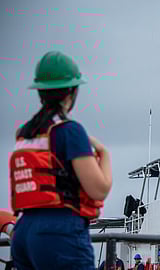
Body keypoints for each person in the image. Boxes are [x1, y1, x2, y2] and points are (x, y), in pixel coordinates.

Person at [9, 51, 113, 270]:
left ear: (40, 92)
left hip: (24, 232)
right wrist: (104, 153)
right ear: (71, 92)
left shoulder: (25, 134)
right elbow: (98, 190)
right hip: (59, 232)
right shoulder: (70, 131)